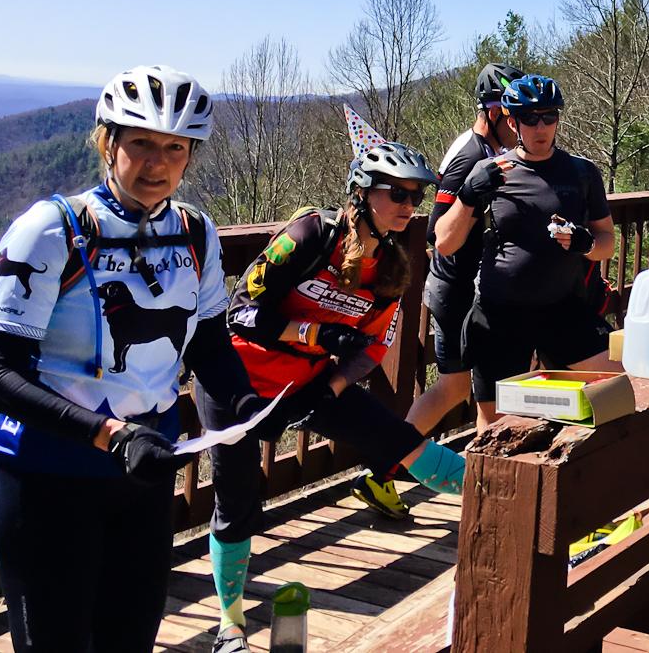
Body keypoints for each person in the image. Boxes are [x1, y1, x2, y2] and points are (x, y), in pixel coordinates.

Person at [0, 65, 264, 653]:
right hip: (48, 477)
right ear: (108, 142)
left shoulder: (195, 233)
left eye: (175, 148)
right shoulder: (51, 229)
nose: (157, 163)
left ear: (190, 156)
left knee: (130, 640)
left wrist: (248, 408)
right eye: (142, 143)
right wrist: (108, 434)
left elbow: (208, 344)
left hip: (143, 474)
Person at [197, 139, 467, 653]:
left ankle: (507, 503)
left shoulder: (393, 263)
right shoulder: (310, 235)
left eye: (417, 197)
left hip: (308, 382)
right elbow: (242, 312)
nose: (410, 207)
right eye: (397, 194)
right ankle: (230, 626)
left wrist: (326, 391)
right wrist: (315, 337)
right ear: (362, 193)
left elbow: (370, 349)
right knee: (236, 497)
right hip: (237, 377)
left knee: (399, 440)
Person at [347, 63, 523, 506]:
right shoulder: (471, 155)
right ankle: (394, 472)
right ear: (495, 111)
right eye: (514, 117)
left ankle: (383, 470)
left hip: (459, 290)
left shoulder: (482, 147)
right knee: (466, 391)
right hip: (455, 292)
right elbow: (436, 235)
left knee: (457, 389)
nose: (520, 128)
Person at [434, 73, 619, 428]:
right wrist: (470, 194)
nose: (541, 126)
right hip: (500, 314)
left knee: (616, 384)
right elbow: (444, 241)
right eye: (531, 118)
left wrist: (585, 244)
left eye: (549, 116)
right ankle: (485, 484)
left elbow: (606, 240)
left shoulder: (581, 173)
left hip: (563, 309)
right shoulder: (490, 171)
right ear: (512, 120)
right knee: (495, 422)